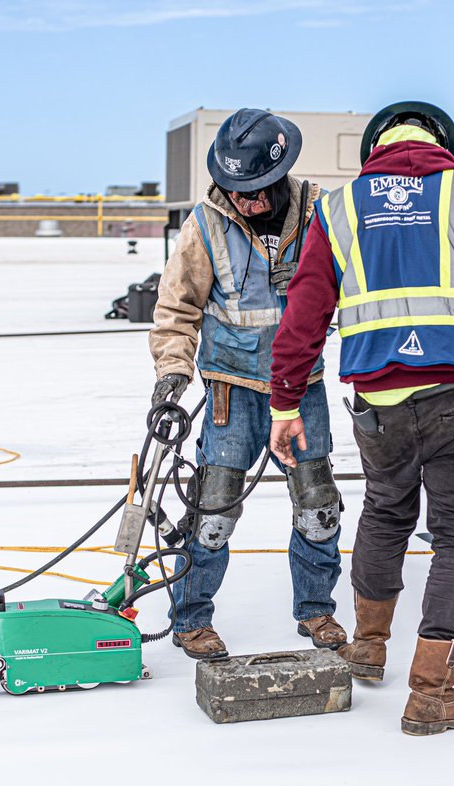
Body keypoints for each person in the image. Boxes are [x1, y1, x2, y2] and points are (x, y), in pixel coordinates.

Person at [268, 101, 454, 735]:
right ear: (440, 143)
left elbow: (305, 312)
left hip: (379, 401)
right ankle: (430, 693)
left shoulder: (339, 209)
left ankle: (368, 650)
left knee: (385, 510)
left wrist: (285, 401)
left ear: (376, 147)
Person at [148, 108, 347, 660]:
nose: (247, 202)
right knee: (212, 512)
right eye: (238, 191)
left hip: (302, 388)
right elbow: (176, 308)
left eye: (257, 192)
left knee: (318, 505)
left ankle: (316, 611)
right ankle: (190, 618)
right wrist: (171, 376)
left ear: (280, 177)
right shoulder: (205, 224)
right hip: (231, 392)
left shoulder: (321, 215)